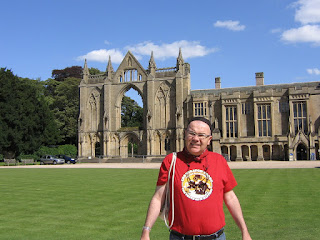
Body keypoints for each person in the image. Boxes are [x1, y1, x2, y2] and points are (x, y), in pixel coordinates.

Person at [140, 117, 252, 240]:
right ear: (184, 134)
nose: (196, 139)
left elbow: (230, 198)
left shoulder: (219, 161)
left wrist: (244, 231)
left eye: (201, 135)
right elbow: (158, 198)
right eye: (192, 133)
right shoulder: (171, 161)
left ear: (209, 140)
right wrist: (146, 230)